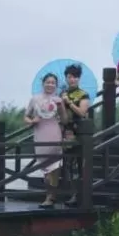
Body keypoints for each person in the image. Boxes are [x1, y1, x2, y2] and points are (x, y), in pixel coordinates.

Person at [24, 73, 66, 208]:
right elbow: (26, 117)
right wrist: (32, 121)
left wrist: (61, 107)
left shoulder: (58, 99)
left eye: (53, 83)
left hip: (54, 133)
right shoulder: (35, 99)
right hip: (40, 134)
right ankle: (50, 193)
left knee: (55, 167)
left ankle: (50, 197)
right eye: (48, 82)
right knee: (45, 168)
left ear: (56, 85)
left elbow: (64, 120)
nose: (50, 85)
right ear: (43, 83)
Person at [59, 63, 90, 208]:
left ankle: (79, 194)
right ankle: (70, 192)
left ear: (79, 78)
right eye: (69, 77)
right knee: (67, 164)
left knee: (78, 164)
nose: (72, 80)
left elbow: (82, 113)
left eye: (75, 77)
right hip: (65, 132)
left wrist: (69, 103)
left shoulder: (83, 94)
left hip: (79, 132)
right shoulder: (62, 94)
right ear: (66, 78)